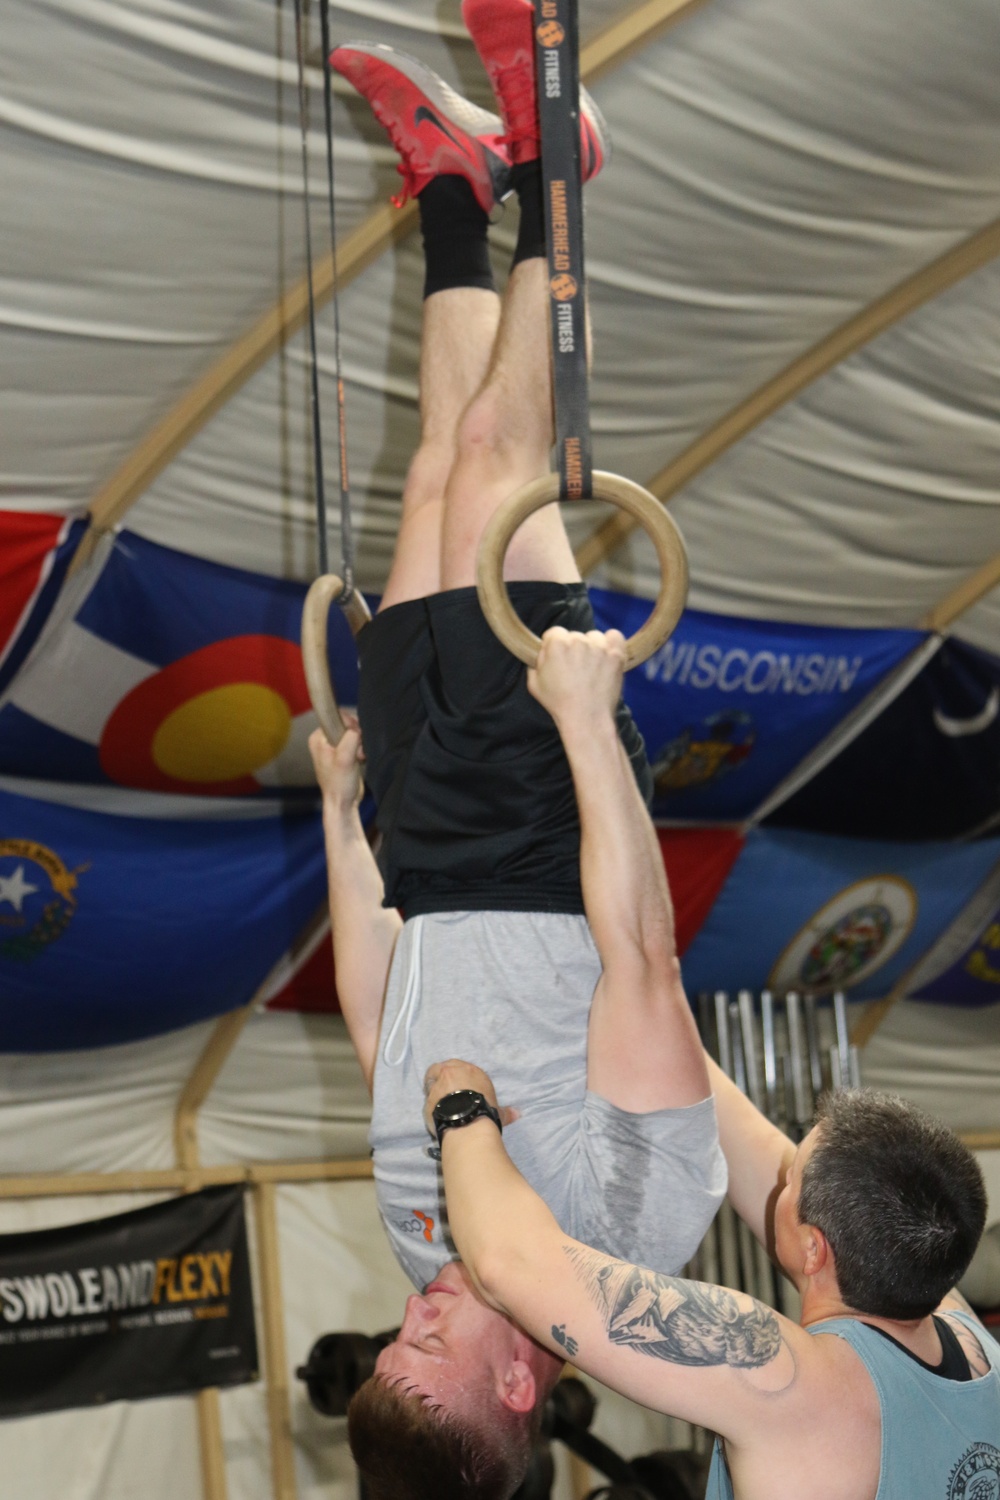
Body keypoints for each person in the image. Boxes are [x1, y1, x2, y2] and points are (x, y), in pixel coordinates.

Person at [307, 2, 725, 1494]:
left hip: (424, 840)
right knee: (497, 464)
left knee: (433, 468)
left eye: (395, 1337)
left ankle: (450, 184)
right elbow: (641, 958)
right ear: (512, 1381)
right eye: (428, 1345)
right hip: (539, 829)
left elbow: (383, 1026)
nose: (411, 1309)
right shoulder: (630, 1233)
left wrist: (346, 823)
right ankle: (557, 165)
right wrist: (585, 726)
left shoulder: (432, 1237)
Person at [426, 1044, 999, 1500]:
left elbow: (510, 1262)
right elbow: (753, 1146)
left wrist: (462, 1109)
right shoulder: (968, 1339)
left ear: (814, 1250)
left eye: (791, 1178)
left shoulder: (797, 1384)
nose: (780, 1177)